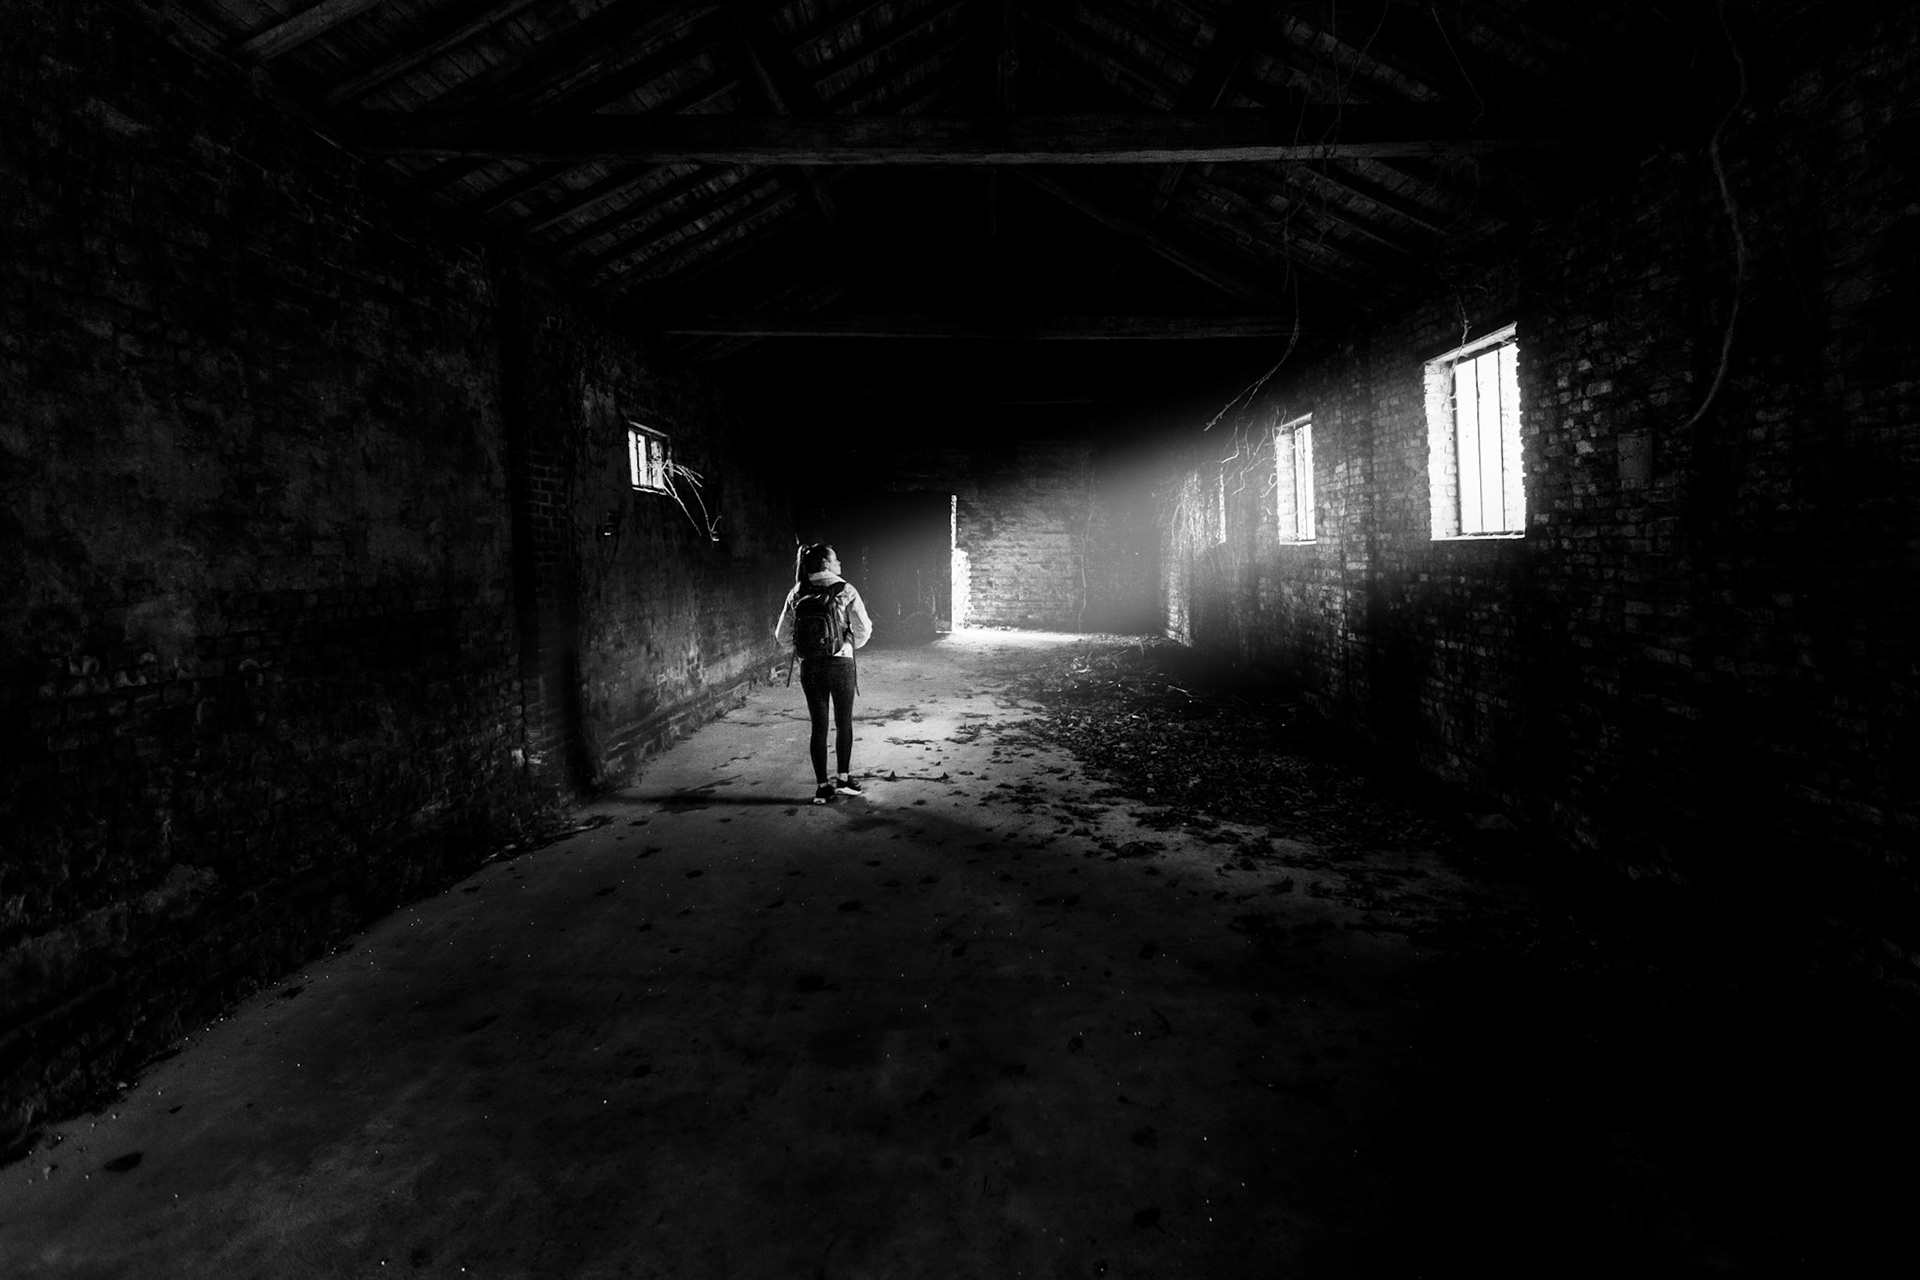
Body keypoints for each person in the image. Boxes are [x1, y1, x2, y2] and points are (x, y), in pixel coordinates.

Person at [774, 543, 873, 804]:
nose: (840, 563)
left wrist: (805, 649)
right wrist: (848, 645)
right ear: (826, 563)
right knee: (843, 722)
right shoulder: (845, 589)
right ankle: (843, 780)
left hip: (811, 667)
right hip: (841, 664)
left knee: (818, 726)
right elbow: (864, 630)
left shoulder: (797, 592)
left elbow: (781, 635)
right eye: (835, 559)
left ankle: (822, 787)